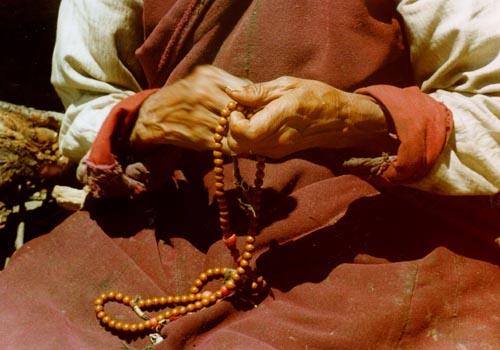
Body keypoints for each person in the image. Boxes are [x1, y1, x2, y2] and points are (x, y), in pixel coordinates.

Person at [1, 0, 500, 349]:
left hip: (372, 240)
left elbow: (491, 116)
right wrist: (151, 118)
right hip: (164, 229)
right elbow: (88, 107)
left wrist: (358, 119)